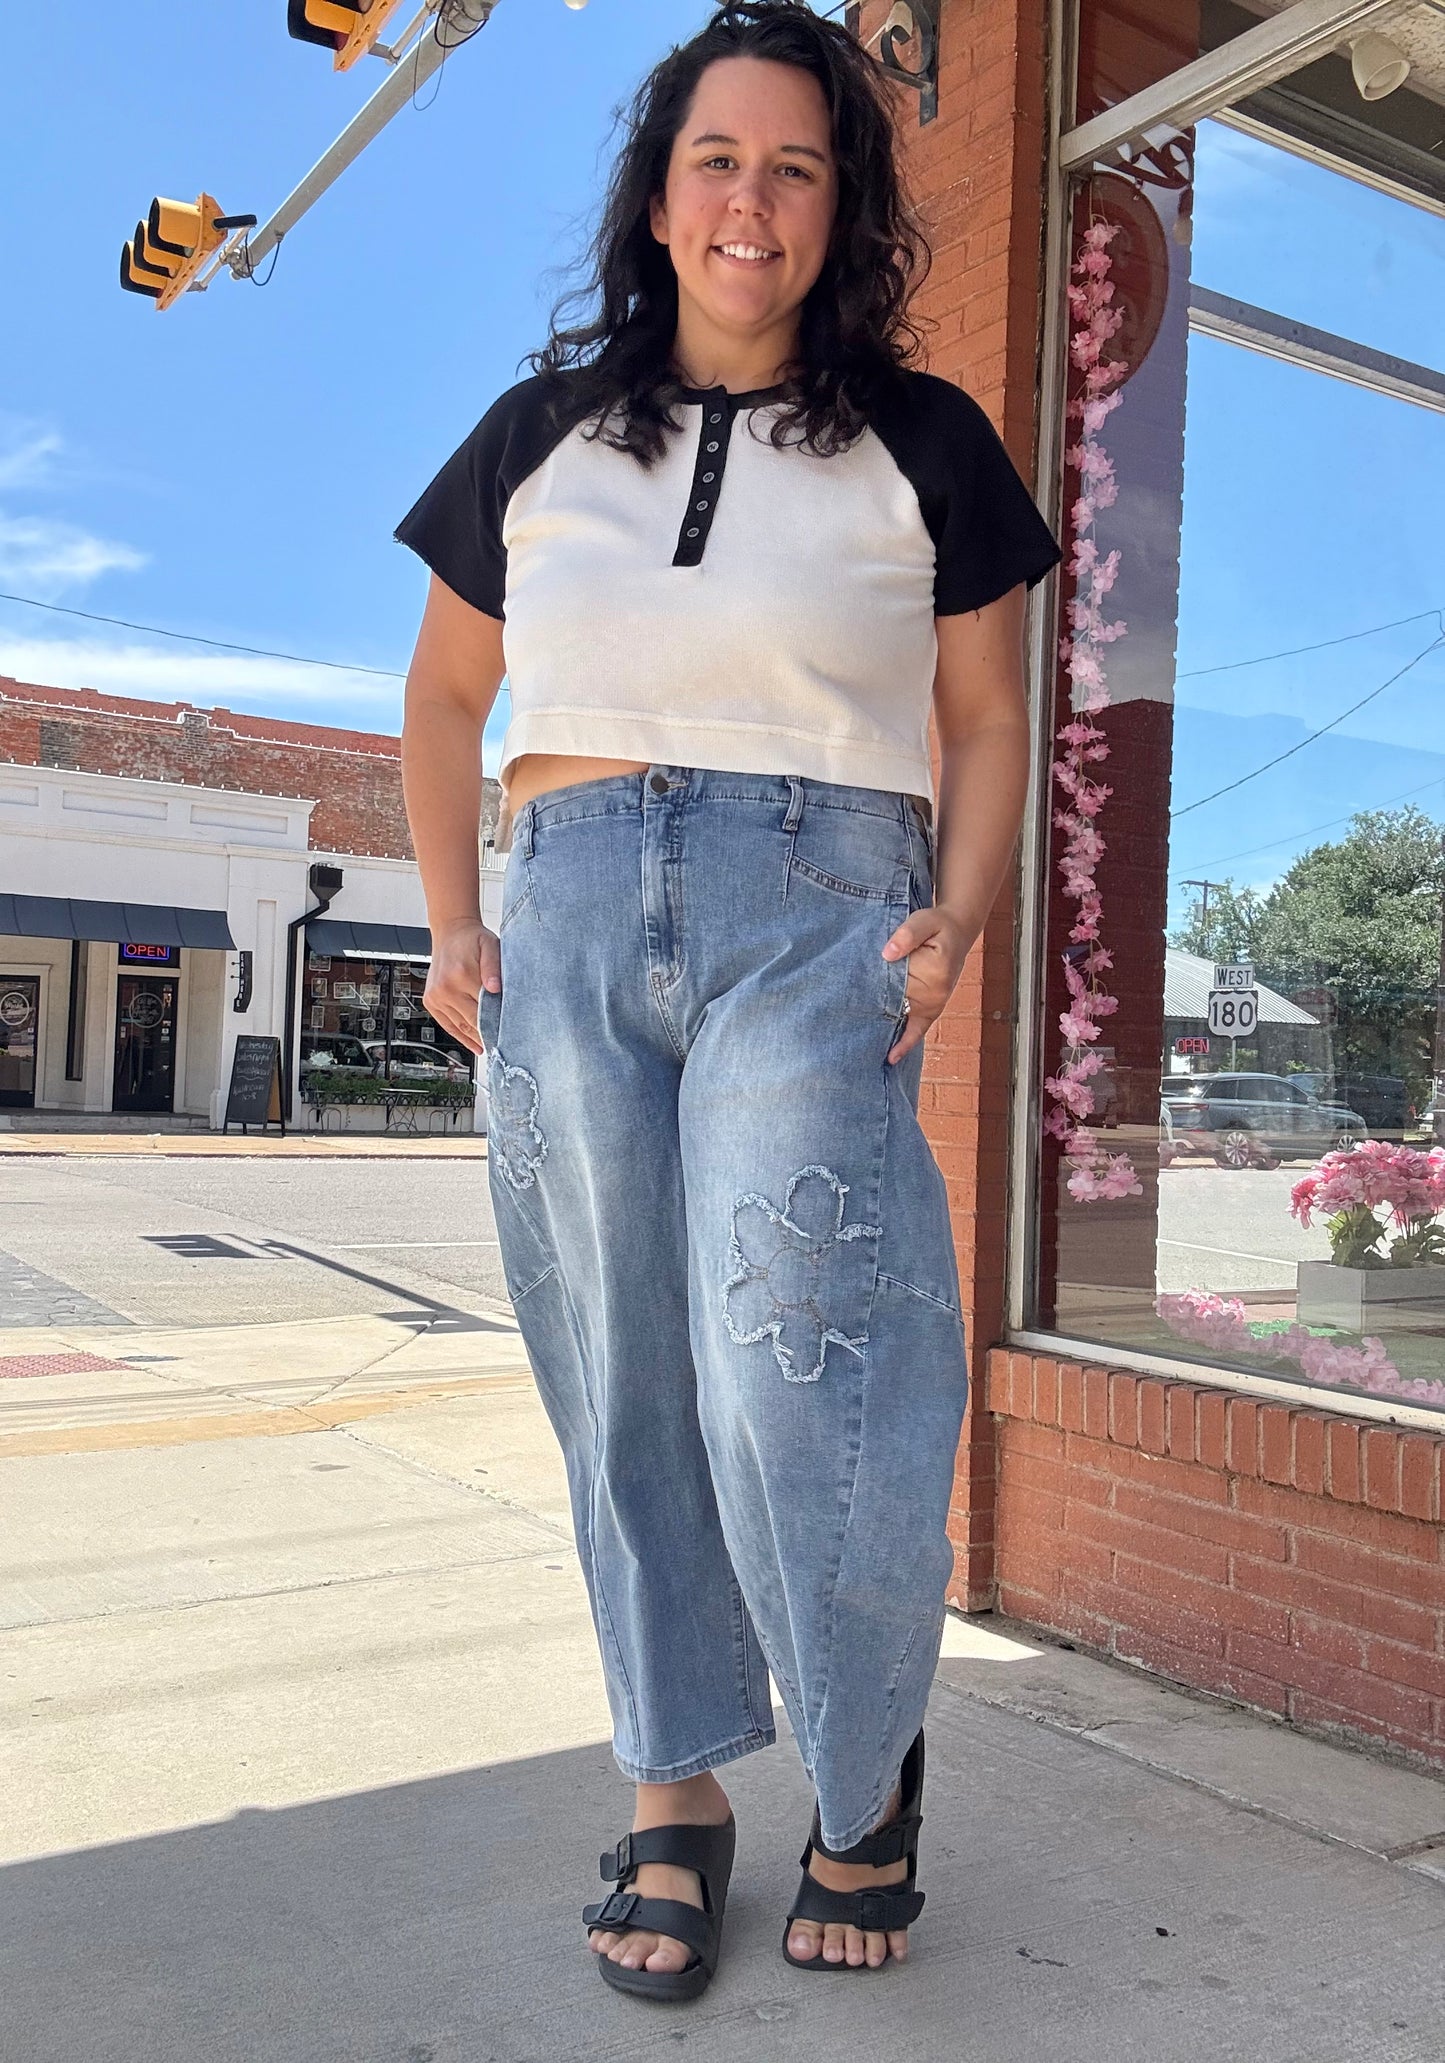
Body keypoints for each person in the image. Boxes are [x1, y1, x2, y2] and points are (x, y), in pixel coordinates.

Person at [396, 0, 1060, 2001]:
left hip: (819, 907)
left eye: (795, 164)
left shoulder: (922, 441)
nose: (750, 199)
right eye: (717, 159)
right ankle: (673, 1784)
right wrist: (452, 923)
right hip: (570, 910)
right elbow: (444, 696)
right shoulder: (540, 435)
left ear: (838, 205)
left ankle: (862, 1772)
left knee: (802, 1369)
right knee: (617, 1374)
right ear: (658, 194)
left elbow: (984, 713)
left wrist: (958, 914)